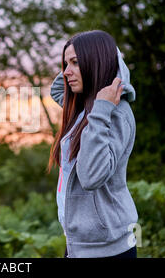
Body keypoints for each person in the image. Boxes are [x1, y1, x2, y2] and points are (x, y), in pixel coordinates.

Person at [47, 30, 138, 258]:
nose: (66, 72)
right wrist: (85, 56)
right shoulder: (83, 107)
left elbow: (90, 176)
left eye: (75, 63)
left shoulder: (115, 113)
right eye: (65, 63)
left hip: (108, 249)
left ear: (94, 62)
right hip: (79, 244)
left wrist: (108, 64)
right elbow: (57, 89)